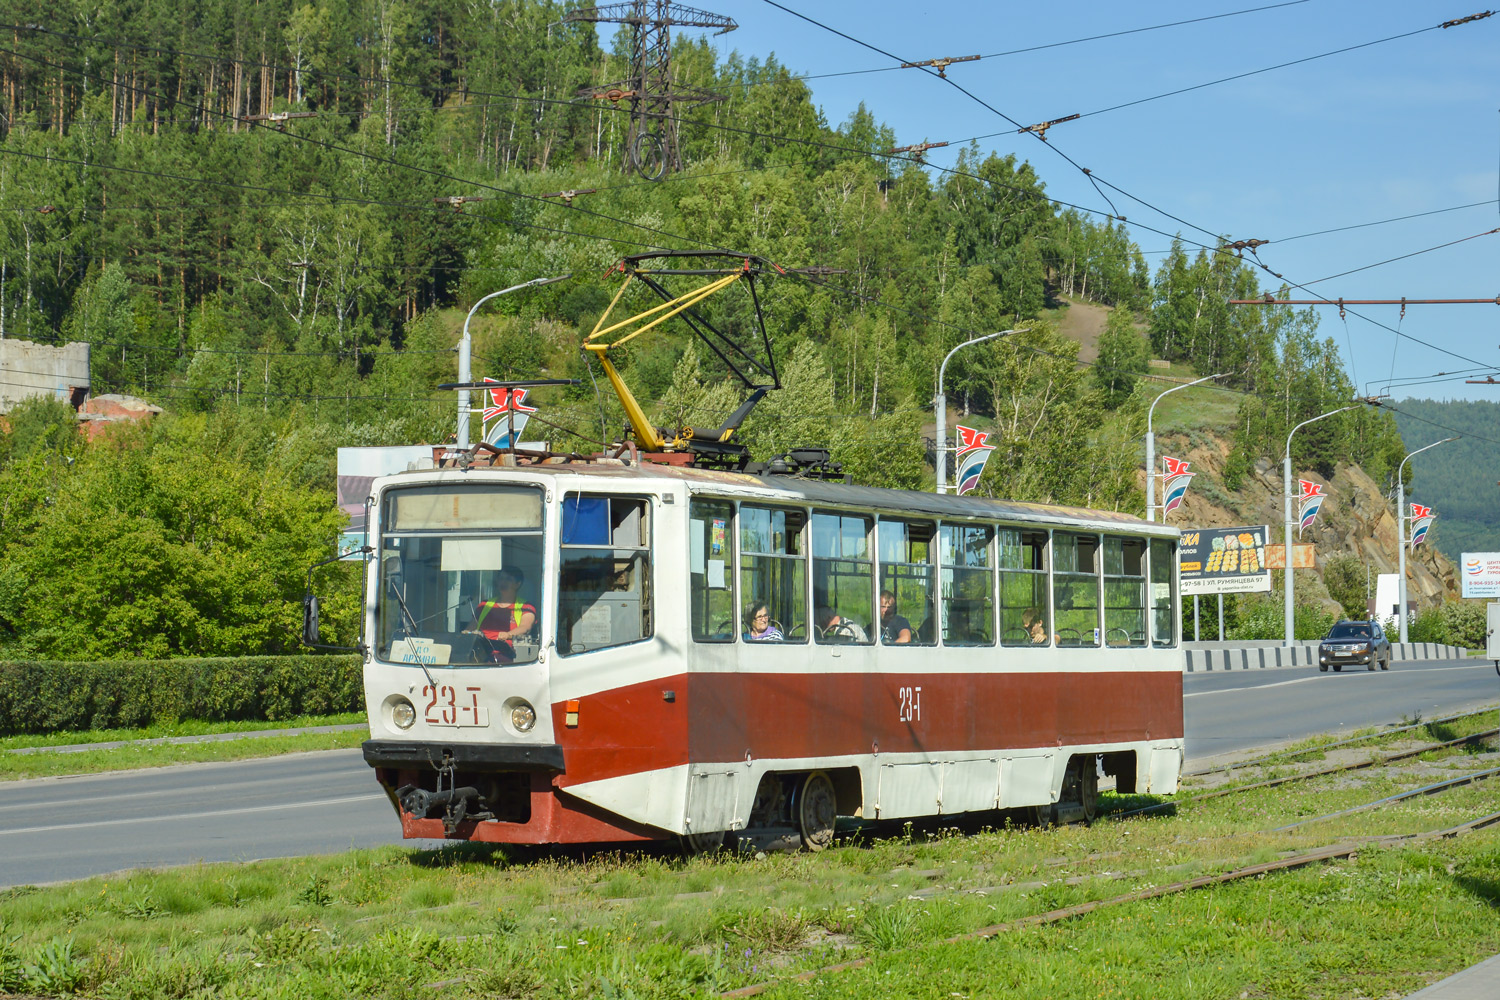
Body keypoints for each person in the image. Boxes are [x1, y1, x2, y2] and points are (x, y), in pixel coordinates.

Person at [471, 567, 537, 663]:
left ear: (517, 584)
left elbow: (525, 627)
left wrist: (508, 635)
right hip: (479, 653)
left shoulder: (526, 607)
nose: (503, 582)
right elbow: (471, 627)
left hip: (507, 655)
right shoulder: (484, 605)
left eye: (508, 579)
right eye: (501, 579)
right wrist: (468, 633)